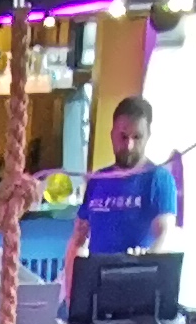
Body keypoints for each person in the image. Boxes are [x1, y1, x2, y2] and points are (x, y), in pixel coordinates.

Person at [73, 95, 180, 259]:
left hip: (137, 273)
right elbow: (78, 239)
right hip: (97, 273)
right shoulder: (98, 180)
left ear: (148, 136)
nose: (129, 146)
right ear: (112, 135)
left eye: (137, 137)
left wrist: (146, 259)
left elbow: (164, 235)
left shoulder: (159, 179)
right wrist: (70, 272)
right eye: (123, 136)